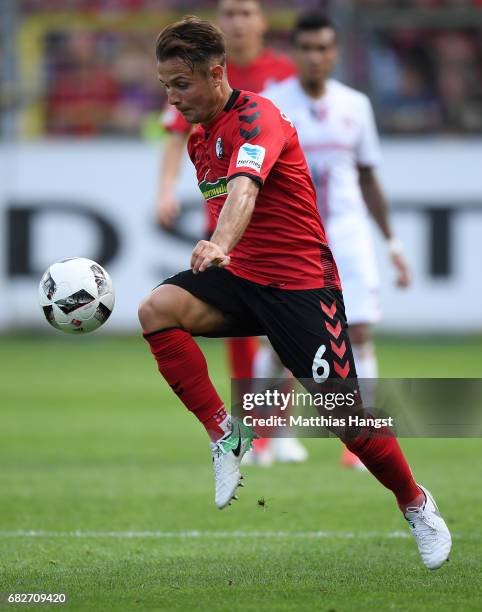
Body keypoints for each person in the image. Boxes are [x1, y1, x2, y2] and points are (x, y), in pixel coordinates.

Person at [139, 16, 451, 570]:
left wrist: (218, 242)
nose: (172, 97)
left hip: (302, 286)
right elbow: (229, 202)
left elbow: (245, 190)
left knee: (349, 423)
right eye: (165, 85)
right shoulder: (197, 141)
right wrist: (224, 253)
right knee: (157, 309)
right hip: (243, 280)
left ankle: (416, 502)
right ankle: (226, 435)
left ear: (216, 74)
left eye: (180, 84)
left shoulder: (260, 117)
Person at [260, 12, 412, 470]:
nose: (314, 57)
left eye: (322, 48)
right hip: (294, 239)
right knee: (281, 343)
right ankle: (270, 432)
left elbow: (368, 177)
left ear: (335, 53)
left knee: (359, 331)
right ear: (293, 53)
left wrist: (394, 245)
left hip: (347, 235)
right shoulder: (270, 104)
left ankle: (361, 440)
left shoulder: (355, 106)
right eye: (305, 48)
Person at [155, 0, 303, 465]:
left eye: (246, 12)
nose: (238, 21)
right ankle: (250, 428)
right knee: (238, 328)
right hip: (226, 217)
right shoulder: (191, 74)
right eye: (230, 13)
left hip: (277, 208)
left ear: (261, 21)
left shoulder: (282, 73)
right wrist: (165, 191)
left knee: (290, 328)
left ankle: (276, 425)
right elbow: (176, 134)